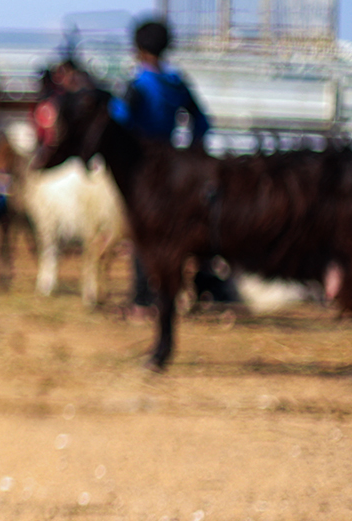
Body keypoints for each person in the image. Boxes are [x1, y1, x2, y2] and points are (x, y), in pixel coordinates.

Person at [113, 17, 240, 311]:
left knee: (143, 230)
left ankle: (143, 296)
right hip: (172, 164)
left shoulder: (137, 84)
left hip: (142, 166)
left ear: (137, 48)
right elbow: (202, 121)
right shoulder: (176, 81)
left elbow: (119, 120)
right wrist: (188, 152)